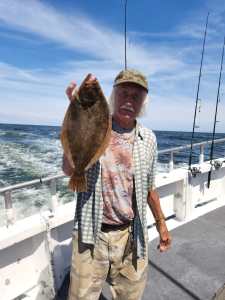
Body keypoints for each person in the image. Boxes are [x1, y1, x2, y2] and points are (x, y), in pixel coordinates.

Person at [62, 69, 172, 300]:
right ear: (112, 96)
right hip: (91, 233)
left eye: (136, 96)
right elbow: (69, 170)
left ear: (143, 103)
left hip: (131, 235)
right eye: (123, 94)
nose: (129, 101)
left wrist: (161, 224)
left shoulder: (149, 139)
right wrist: (75, 117)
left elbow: (150, 187)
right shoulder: (95, 123)